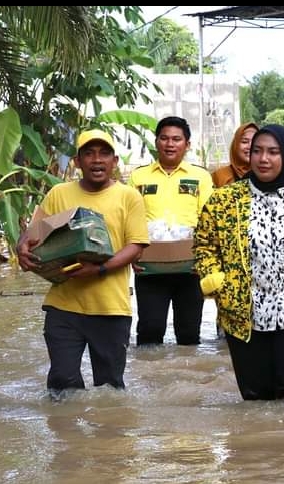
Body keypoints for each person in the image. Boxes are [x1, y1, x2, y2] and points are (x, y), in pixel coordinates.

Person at [194, 124, 284, 400]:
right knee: (257, 399)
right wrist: (218, 283)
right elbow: (204, 245)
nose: (263, 159)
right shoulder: (224, 201)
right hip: (244, 313)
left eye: (273, 152)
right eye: (257, 151)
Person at [17, 129, 149, 395]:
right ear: (77, 162)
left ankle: (108, 437)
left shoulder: (129, 197)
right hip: (63, 307)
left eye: (104, 154)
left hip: (110, 309)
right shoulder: (59, 194)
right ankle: (66, 435)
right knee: (62, 385)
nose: (96, 160)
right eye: (88, 154)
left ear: (114, 162)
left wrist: (99, 268)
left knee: (110, 389)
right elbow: (34, 233)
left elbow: (135, 246)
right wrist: (22, 246)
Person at [128, 116, 213, 346]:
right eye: (164, 138)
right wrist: (130, 254)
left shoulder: (200, 176)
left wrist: (205, 259)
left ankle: (187, 380)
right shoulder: (139, 176)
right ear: (156, 142)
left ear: (188, 144)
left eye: (177, 139)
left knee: (189, 334)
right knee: (149, 331)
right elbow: (128, 218)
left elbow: (209, 219)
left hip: (190, 266)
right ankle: (151, 379)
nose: (170, 144)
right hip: (149, 266)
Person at [211, 122, 259, 187]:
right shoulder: (220, 176)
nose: (250, 146)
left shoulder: (265, 175)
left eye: (255, 142)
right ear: (235, 145)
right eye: (244, 142)